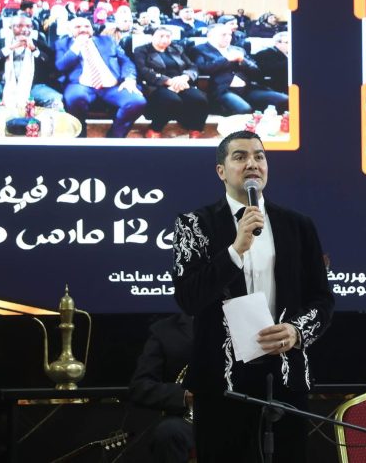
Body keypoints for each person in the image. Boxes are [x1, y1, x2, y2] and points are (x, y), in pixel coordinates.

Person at [171, 130, 334, 462]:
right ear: (221, 171)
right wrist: (236, 249)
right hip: (222, 382)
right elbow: (189, 298)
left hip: (285, 375)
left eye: (259, 156)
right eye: (240, 156)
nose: (252, 164)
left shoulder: (298, 225)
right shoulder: (194, 225)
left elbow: (322, 300)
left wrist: (296, 331)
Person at [55, 17, 146, 137]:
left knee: (137, 101)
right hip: (81, 85)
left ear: (92, 29)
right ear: (70, 31)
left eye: (87, 26)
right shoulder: (62, 44)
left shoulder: (108, 41)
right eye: (78, 27)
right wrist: (76, 46)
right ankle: (80, 136)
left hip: (112, 86)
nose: (83, 29)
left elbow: (126, 61)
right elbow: (60, 66)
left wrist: (129, 79)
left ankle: (115, 137)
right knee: (74, 97)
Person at [128, 314, 195, 463]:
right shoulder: (163, 330)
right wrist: (184, 396)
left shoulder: (241, 323)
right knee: (168, 432)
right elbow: (140, 386)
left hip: (234, 415)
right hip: (188, 423)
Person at [0, 14, 61, 113]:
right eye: (19, 26)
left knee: (56, 99)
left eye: (28, 26)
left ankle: (37, 122)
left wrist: (34, 50)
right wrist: (8, 49)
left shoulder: (39, 45)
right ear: (10, 27)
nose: (24, 29)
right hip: (1, 84)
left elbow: (51, 66)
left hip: (32, 86)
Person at [192, 24, 287, 115]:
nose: (228, 37)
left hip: (247, 88)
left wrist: (242, 61)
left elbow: (256, 70)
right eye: (223, 35)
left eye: (230, 34)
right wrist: (226, 59)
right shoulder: (199, 49)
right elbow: (203, 68)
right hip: (223, 90)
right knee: (244, 109)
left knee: (284, 100)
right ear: (210, 36)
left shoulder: (238, 50)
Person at [133, 26, 208, 138]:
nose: (165, 39)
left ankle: (195, 129)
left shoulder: (177, 49)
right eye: (161, 36)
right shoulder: (142, 50)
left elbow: (192, 66)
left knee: (200, 99)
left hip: (181, 83)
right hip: (156, 85)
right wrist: (168, 81)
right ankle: (155, 129)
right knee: (172, 100)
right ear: (152, 37)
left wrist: (185, 77)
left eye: (168, 36)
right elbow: (143, 70)